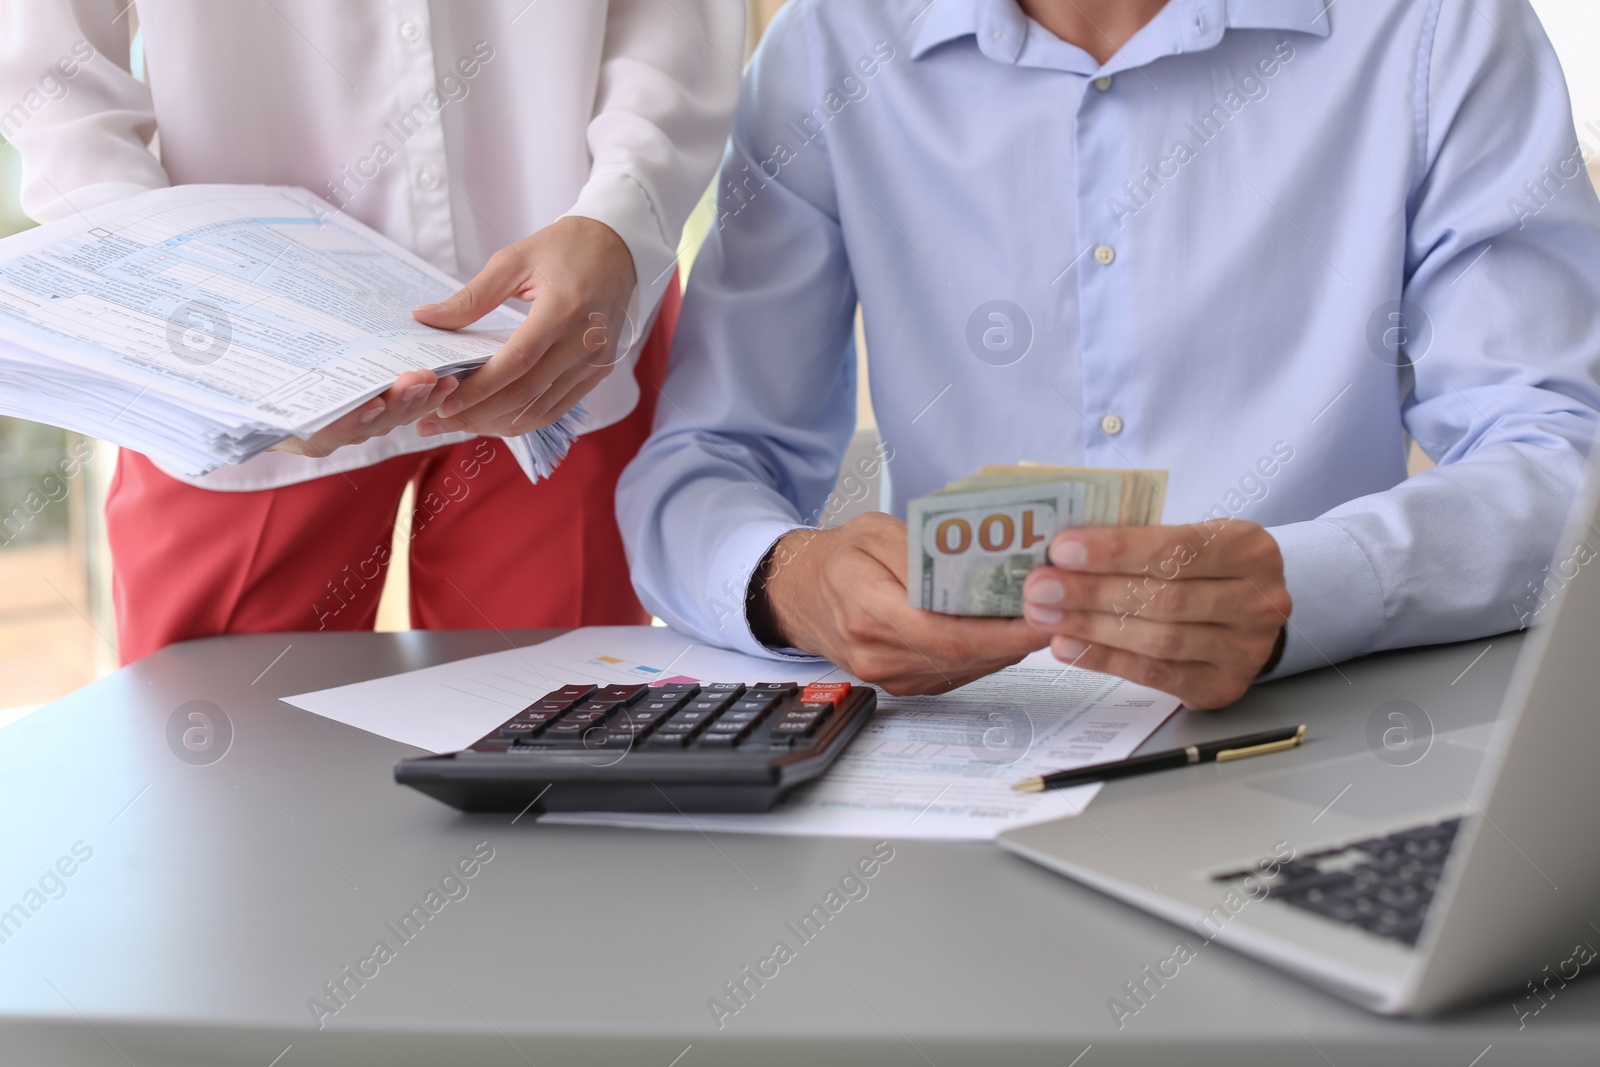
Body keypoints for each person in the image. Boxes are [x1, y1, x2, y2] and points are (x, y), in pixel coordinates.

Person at [618, 0, 1600, 709]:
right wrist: (792, 578)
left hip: (1324, 724)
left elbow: (1563, 459)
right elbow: (703, 464)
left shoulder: (1443, 29)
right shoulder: (827, 48)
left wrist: (1313, 584)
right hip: (958, 750)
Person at [0, 0, 742, 661]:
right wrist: (156, 285)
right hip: (239, 347)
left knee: (548, 776)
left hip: (562, 319)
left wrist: (625, 213)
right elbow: (54, 63)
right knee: (224, 784)